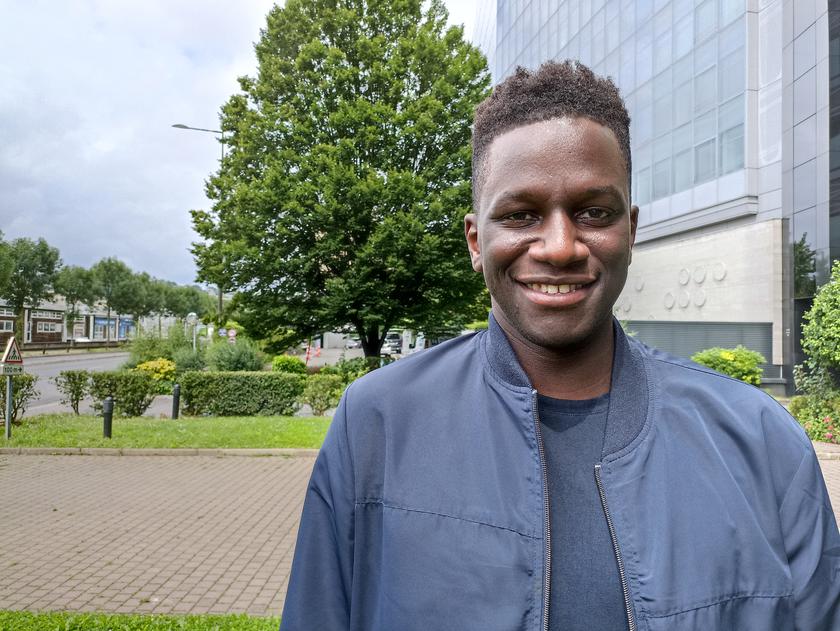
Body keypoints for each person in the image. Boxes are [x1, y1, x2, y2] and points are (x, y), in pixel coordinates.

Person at [280, 61, 840, 630]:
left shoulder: (761, 441)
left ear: (630, 231)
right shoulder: (376, 424)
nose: (560, 246)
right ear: (476, 240)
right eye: (520, 215)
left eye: (593, 212)